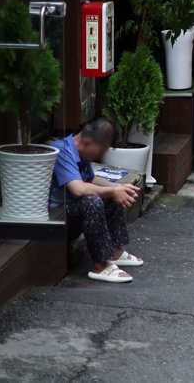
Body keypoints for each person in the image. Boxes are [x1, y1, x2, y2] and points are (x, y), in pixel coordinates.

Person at [49, 117, 144, 283]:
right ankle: (101, 265)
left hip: (71, 212)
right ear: (86, 142)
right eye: (101, 150)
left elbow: (90, 180)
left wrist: (119, 189)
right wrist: (112, 191)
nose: (101, 155)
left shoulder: (81, 152)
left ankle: (114, 251)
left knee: (111, 191)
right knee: (92, 201)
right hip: (57, 219)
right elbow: (79, 189)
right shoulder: (61, 151)